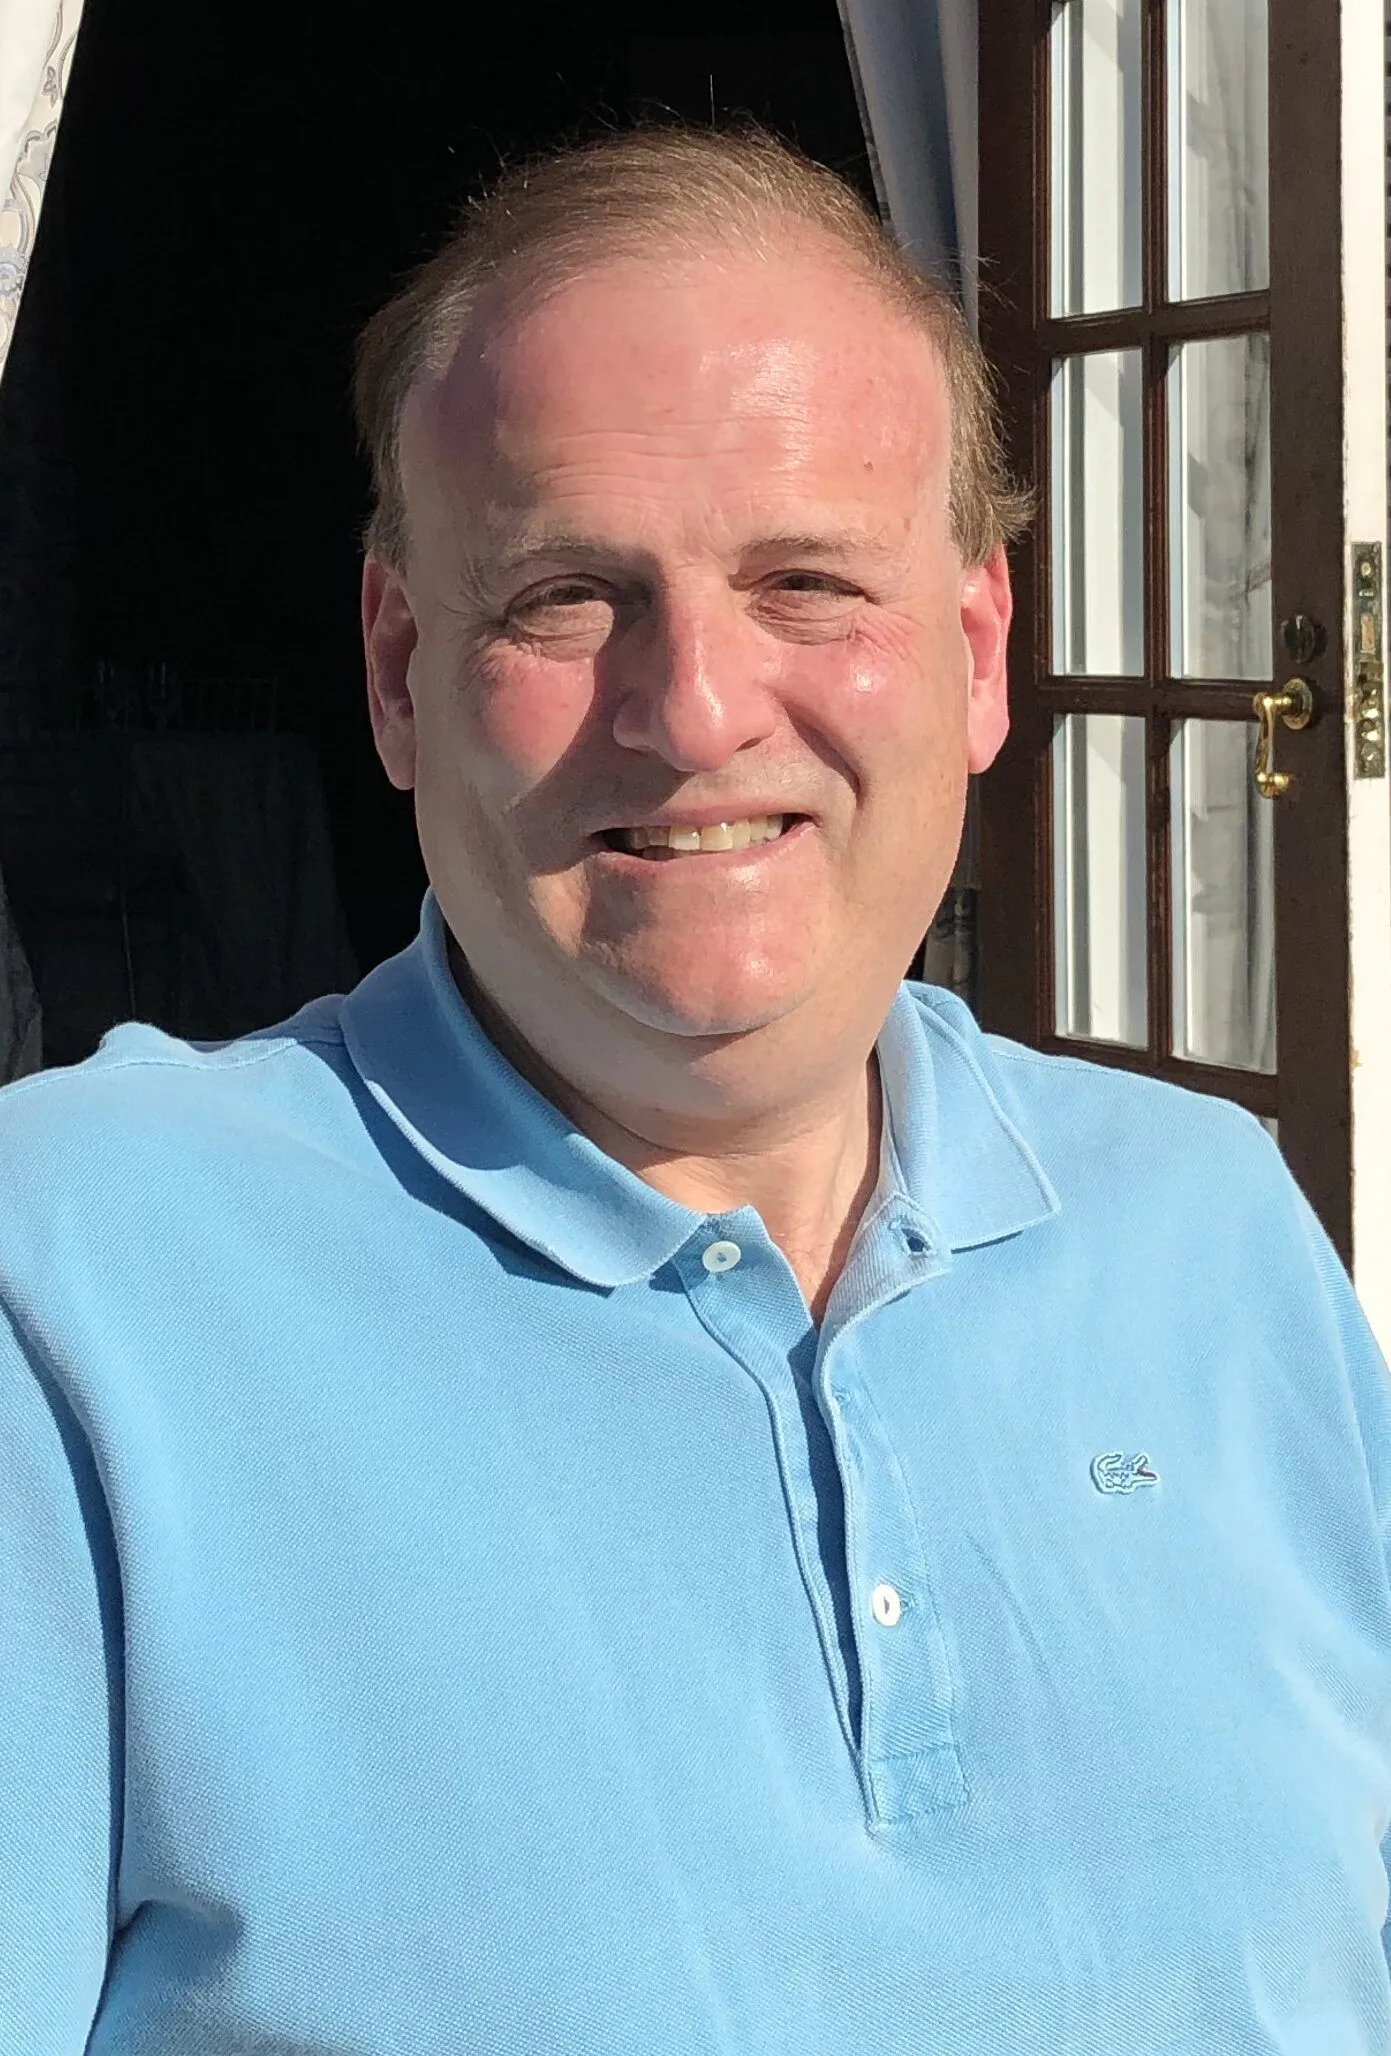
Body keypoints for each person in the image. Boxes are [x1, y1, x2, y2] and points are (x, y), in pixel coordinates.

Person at [3, 123, 1390, 2056]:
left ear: (978, 652)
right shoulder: (78, 1278)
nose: (698, 711)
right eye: (568, 594)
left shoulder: (1206, 1223)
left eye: (806, 581)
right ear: (398, 671)